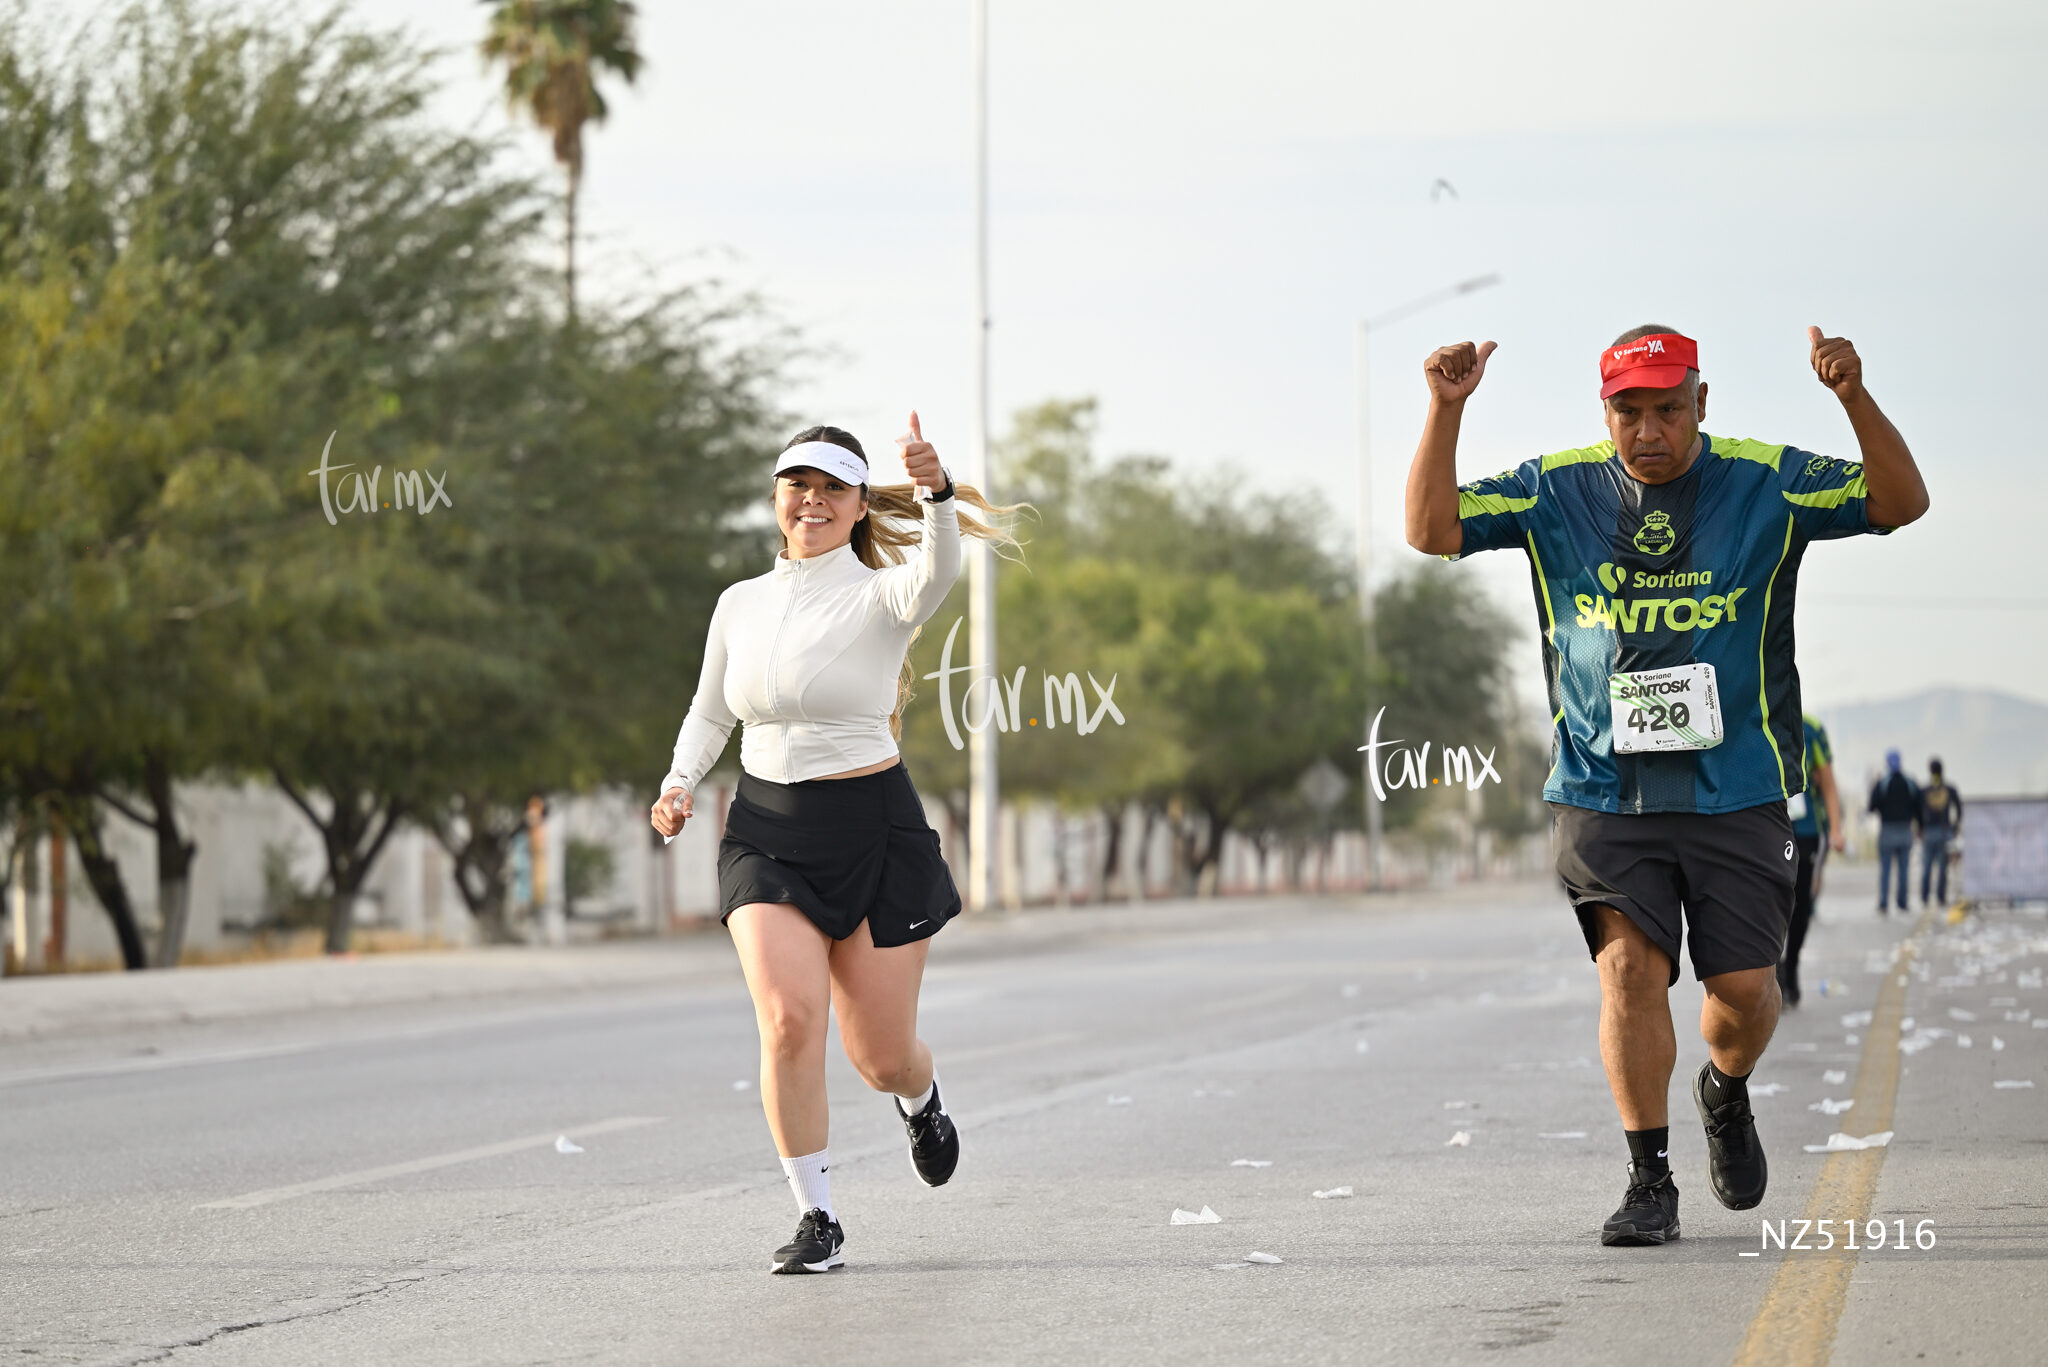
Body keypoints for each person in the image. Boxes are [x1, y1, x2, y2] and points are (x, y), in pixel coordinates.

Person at [1405, 324, 1927, 1247]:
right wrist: (1445, 411)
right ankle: (1649, 1180)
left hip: (1739, 789)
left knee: (1745, 993)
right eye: (1629, 412)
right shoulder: (1552, 487)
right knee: (1629, 971)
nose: (1649, 431)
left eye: (1668, 410)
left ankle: (1725, 1088)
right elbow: (1429, 530)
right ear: (1604, 412)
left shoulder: (1766, 481)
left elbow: (1900, 501)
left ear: (1701, 403)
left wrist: (1852, 396)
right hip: (1603, 788)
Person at [650, 416, 1016, 1274]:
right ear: (777, 498)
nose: (811, 501)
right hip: (766, 834)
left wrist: (935, 492)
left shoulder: (882, 596)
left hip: (873, 829)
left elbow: (941, 569)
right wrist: (678, 781)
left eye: (831, 489)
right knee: (787, 1020)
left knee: (879, 1056)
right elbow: (712, 710)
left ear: (857, 507)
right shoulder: (739, 603)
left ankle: (920, 1099)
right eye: (798, 486)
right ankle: (817, 1216)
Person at [1778, 713, 1845, 1007]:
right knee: (1770, 905)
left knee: (1800, 905)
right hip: (1768, 829)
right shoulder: (1753, 715)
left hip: (1805, 832)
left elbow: (1828, 784)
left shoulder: (1812, 729)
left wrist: (1836, 830)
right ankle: (1773, 970)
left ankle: (1791, 967)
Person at [1868, 751, 1920, 914]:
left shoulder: (1883, 783)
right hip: (1905, 829)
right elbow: (1919, 807)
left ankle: (1884, 903)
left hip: (1887, 830)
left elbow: (1871, 806)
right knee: (1904, 870)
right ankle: (1902, 903)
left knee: (1885, 870)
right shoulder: (1910, 782)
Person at [1918, 758, 1963, 907]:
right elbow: (1959, 809)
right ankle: (1941, 897)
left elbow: (1918, 811)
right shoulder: (1949, 789)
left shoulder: (1925, 790)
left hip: (1929, 831)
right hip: (1945, 831)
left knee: (1927, 867)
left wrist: (1920, 828)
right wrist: (1955, 827)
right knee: (1942, 868)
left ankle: (1924, 898)